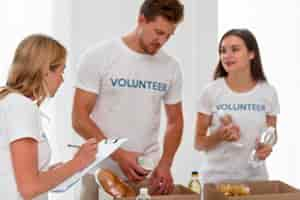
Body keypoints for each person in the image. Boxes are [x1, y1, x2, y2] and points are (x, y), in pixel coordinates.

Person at [72, 0, 184, 199]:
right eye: (158, 32)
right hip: (97, 171)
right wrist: (118, 154)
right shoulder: (99, 56)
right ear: (141, 19)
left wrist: (165, 164)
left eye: (169, 35)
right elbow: (79, 118)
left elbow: (175, 121)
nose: (162, 41)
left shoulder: (170, 66)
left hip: (144, 174)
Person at [0, 34, 98, 200]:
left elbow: (15, 174)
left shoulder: (10, 102)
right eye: (61, 71)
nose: (62, 80)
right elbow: (29, 188)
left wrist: (55, 172)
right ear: (45, 71)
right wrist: (78, 162)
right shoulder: (21, 107)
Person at [194, 29, 280, 183]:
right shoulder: (211, 91)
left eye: (235, 49)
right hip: (215, 181)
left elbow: (272, 134)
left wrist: (266, 146)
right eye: (223, 51)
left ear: (251, 54)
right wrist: (219, 136)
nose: (227, 55)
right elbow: (199, 143)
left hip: (256, 181)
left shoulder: (268, 92)